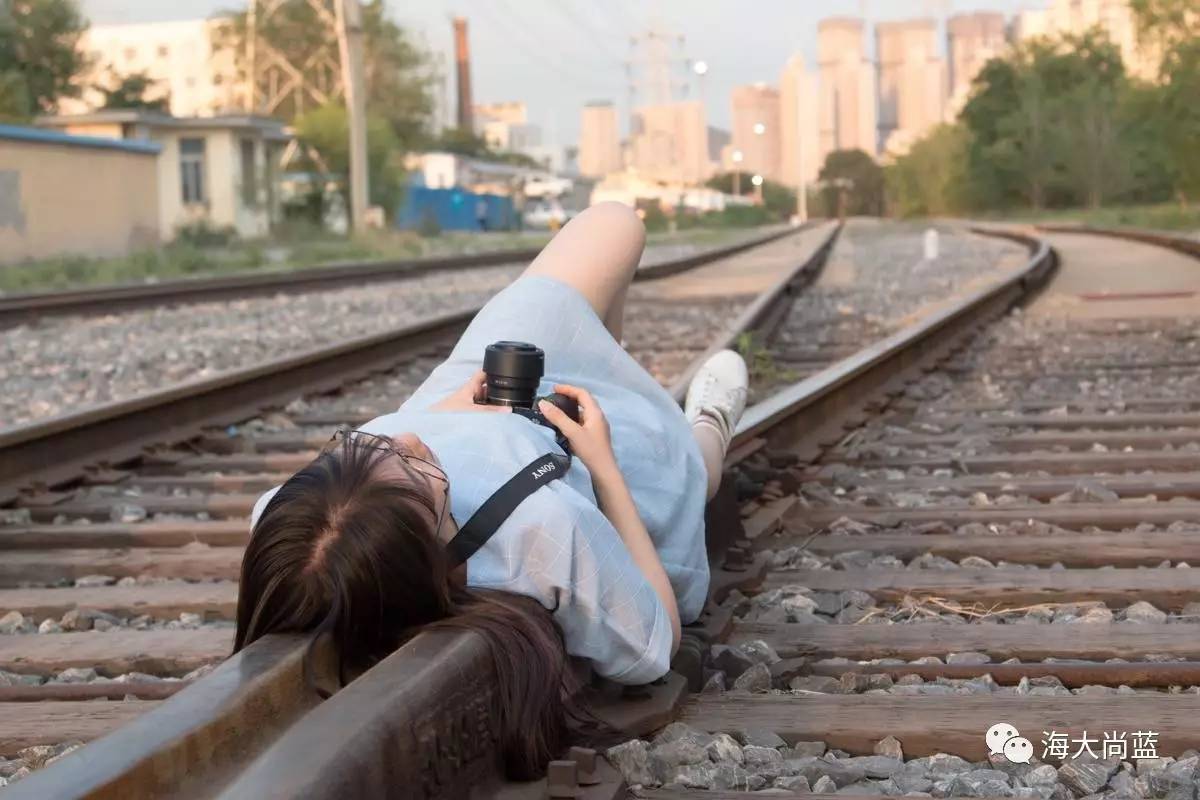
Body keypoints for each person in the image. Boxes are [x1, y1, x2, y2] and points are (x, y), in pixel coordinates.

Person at [235, 202, 750, 778]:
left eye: (366, 447)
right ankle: (708, 423)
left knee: (615, 223)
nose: (404, 437)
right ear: (438, 542)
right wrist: (602, 464)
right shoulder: (546, 527)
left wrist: (450, 414)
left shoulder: (290, 523)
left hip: (473, 397)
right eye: (423, 470)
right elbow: (656, 643)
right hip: (586, 458)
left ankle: (616, 365)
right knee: (686, 467)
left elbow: (398, 443)